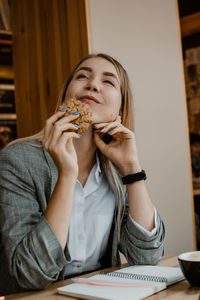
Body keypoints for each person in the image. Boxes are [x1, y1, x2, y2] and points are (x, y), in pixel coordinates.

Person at [0, 53, 165, 295]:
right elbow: (29, 274)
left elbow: (147, 256)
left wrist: (132, 168)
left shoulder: (116, 168)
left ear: (120, 108)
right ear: (65, 97)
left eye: (108, 82)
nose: (93, 84)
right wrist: (67, 176)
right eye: (82, 76)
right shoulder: (17, 160)